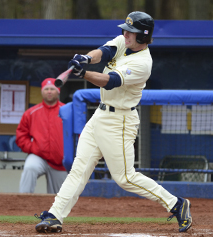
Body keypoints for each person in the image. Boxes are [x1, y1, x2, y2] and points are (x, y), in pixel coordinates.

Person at [35, 11, 192, 233]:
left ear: (143, 37)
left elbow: (111, 81)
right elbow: (105, 52)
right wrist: (86, 58)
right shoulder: (124, 41)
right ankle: (54, 216)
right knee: (79, 170)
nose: (126, 34)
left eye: (132, 32)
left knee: (125, 178)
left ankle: (177, 204)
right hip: (100, 116)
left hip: (120, 120)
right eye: (126, 30)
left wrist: (84, 73)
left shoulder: (143, 63)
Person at [16, 78, 68, 194]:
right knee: (30, 167)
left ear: (58, 91)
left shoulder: (67, 111)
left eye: (52, 89)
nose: (49, 91)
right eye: (46, 89)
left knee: (60, 198)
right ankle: (22, 202)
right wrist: (32, 148)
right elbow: (21, 136)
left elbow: (78, 135)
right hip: (39, 157)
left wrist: (69, 154)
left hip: (60, 161)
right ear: (42, 92)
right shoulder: (31, 112)